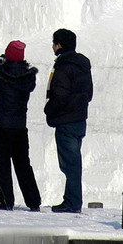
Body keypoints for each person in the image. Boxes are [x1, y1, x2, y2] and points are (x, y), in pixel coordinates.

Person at [0, 39, 41, 211]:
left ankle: (6, 201)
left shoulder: (1, 76)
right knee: (23, 164)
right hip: (20, 127)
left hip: (1, 127)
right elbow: (19, 74)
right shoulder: (29, 78)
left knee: (3, 164)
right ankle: (33, 202)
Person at [44, 27, 93, 214]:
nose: (53, 47)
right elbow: (88, 94)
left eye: (54, 43)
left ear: (59, 45)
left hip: (66, 121)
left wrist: (49, 109)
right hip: (79, 120)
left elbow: (59, 95)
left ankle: (72, 202)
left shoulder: (63, 66)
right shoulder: (82, 65)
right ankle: (72, 200)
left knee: (69, 164)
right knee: (74, 163)